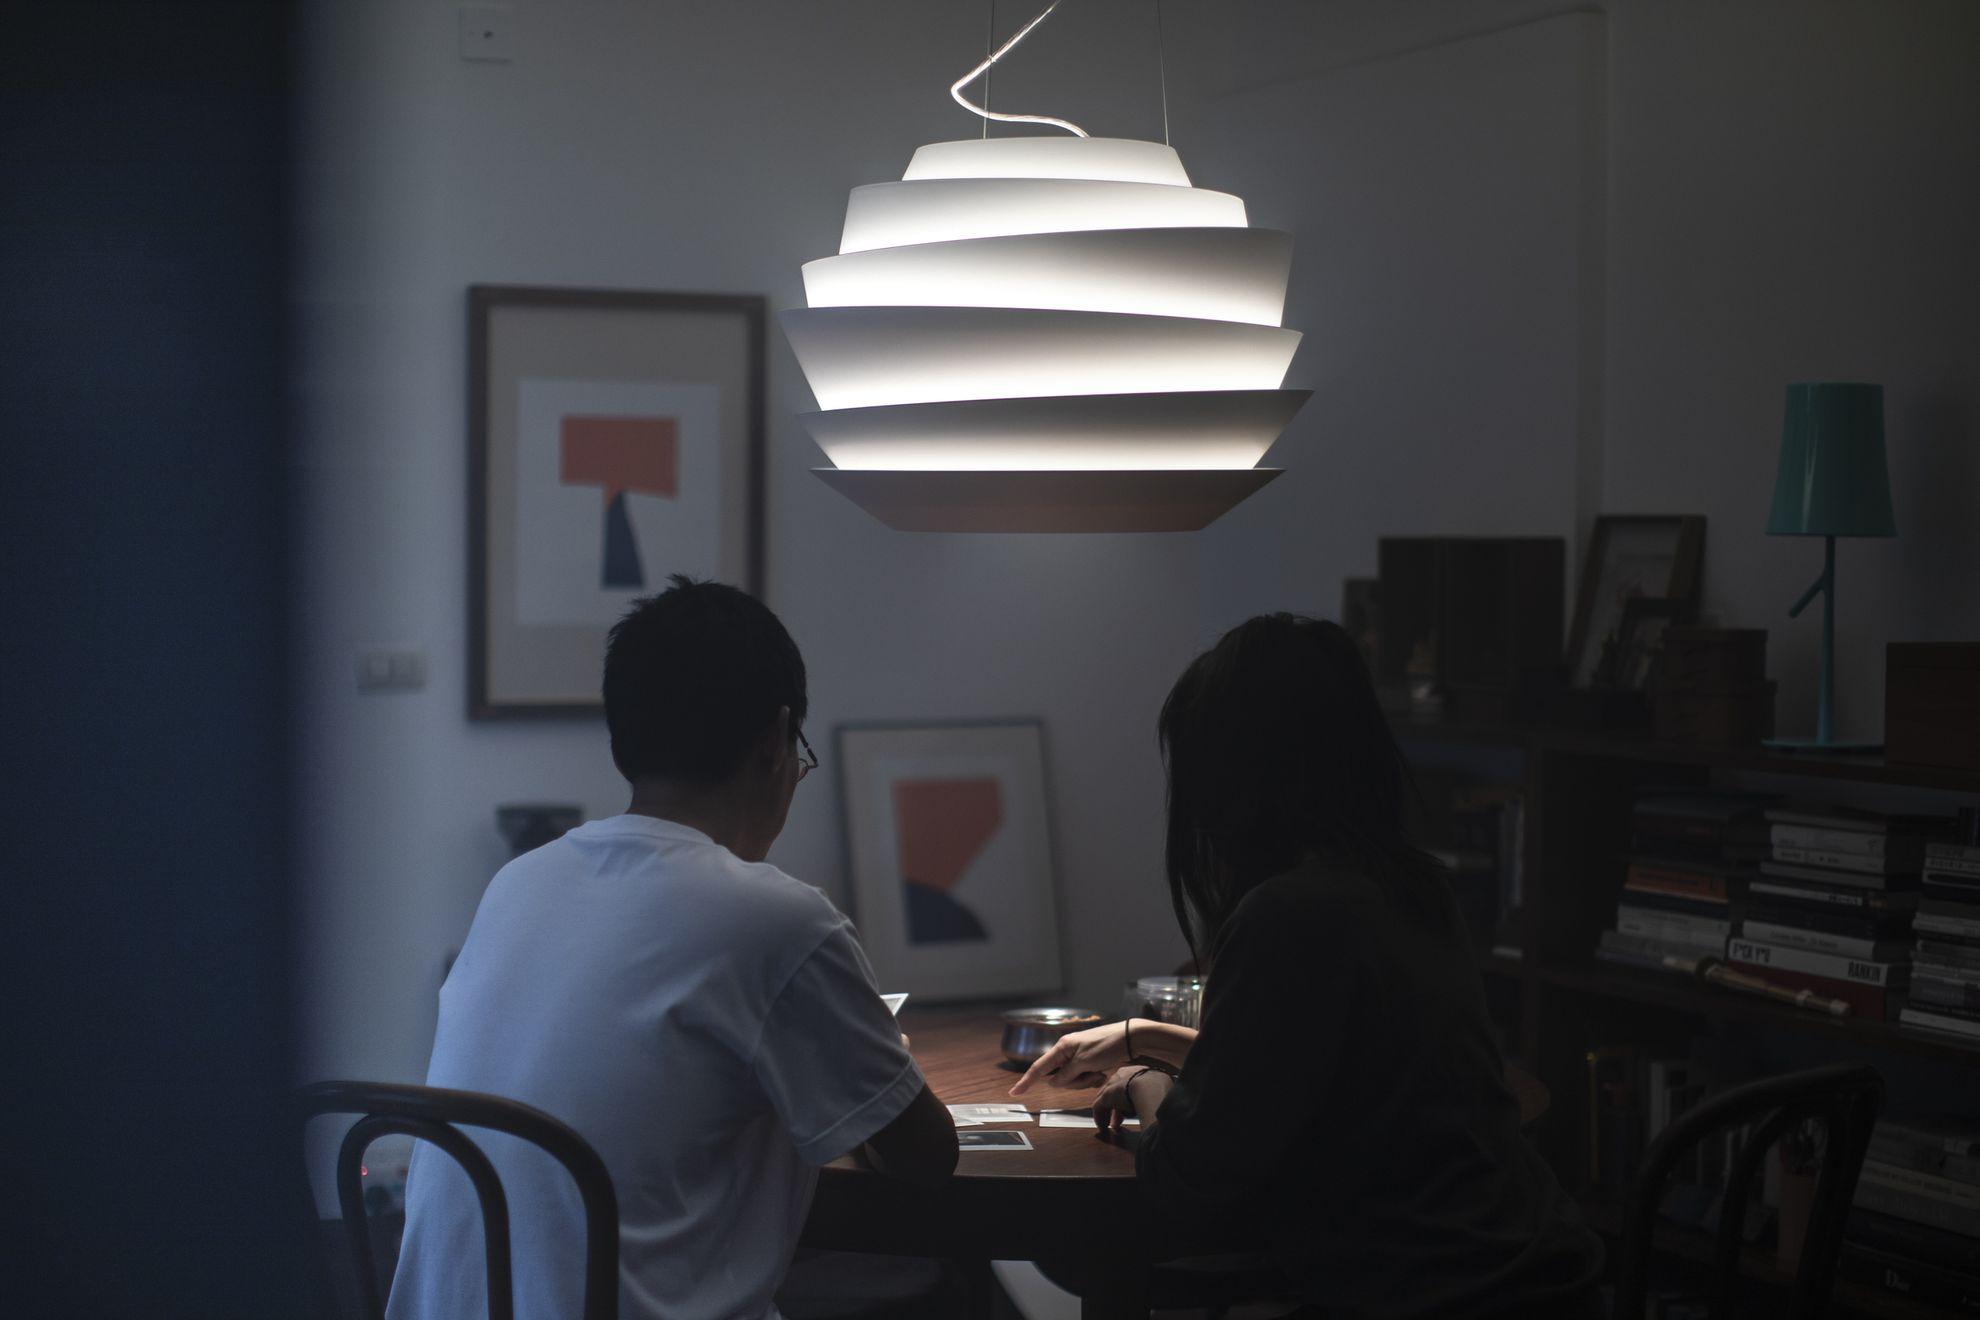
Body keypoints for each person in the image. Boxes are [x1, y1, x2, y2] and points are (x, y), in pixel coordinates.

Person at [388, 576, 956, 1320]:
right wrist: (875, 1058)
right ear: (776, 740)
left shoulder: (518, 883)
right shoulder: (778, 920)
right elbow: (926, 1157)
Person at [1012, 614, 1604, 1318]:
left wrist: (1142, 1081)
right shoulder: (1409, 885)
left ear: (1234, 780)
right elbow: (1335, 1075)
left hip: (1433, 1293)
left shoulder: (1290, 914)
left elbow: (1189, 1174)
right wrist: (1149, 1036)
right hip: (1536, 1267)